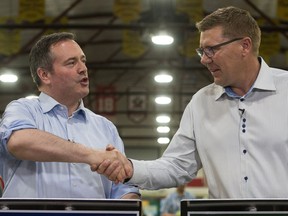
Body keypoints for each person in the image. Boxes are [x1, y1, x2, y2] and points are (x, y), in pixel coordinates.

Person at [96, 6, 288, 198]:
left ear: (244, 46)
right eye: (202, 51)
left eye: (211, 50)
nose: (204, 60)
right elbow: (176, 166)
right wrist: (130, 168)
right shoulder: (201, 103)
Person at [0, 32, 139, 199]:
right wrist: (93, 156)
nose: (83, 69)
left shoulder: (105, 127)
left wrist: (128, 198)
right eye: (71, 63)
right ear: (44, 75)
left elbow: (124, 189)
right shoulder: (23, 110)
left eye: (83, 60)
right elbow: (20, 142)